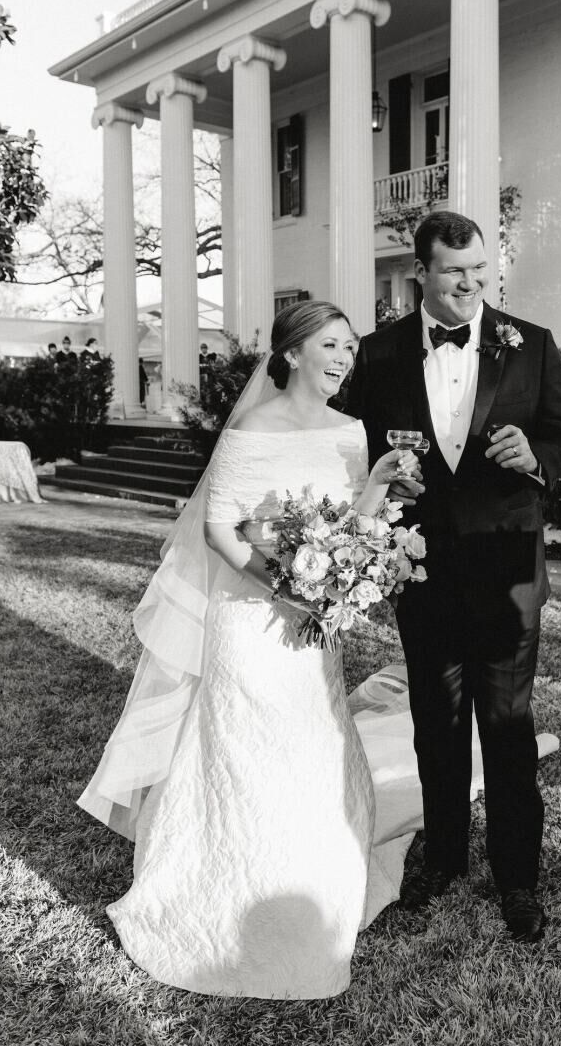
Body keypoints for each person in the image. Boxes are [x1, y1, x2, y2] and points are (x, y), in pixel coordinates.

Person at [78, 300, 425, 999]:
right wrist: (288, 587)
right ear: (292, 353)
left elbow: (354, 526)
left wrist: (380, 485)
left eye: (349, 349)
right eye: (329, 346)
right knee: (245, 749)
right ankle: (218, 894)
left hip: (314, 629)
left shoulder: (353, 431)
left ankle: (315, 885)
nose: (342, 359)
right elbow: (219, 529)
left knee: (313, 747)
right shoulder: (252, 429)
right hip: (250, 622)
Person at [347, 211, 561, 944]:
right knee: (436, 726)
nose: (471, 282)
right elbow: (349, 449)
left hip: (507, 574)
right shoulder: (379, 354)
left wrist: (537, 456)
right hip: (419, 573)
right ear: (421, 271)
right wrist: (379, 488)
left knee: (508, 731)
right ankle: (444, 857)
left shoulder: (531, 345)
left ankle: (517, 877)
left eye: (480, 269)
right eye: (455, 271)